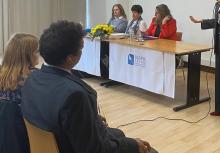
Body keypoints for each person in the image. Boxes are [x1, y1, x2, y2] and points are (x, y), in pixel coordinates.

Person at [21, 20, 151, 153]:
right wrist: (133, 145)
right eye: (81, 49)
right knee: (144, 148)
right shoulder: (75, 95)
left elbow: (53, 111)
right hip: (70, 146)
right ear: (70, 58)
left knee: (118, 133)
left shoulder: (31, 78)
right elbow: (95, 150)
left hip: (52, 143)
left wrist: (89, 117)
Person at [0, 33, 39, 153]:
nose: (39, 54)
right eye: (36, 51)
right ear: (27, 56)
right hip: (26, 137)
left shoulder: (2, 74)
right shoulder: (34, 78)